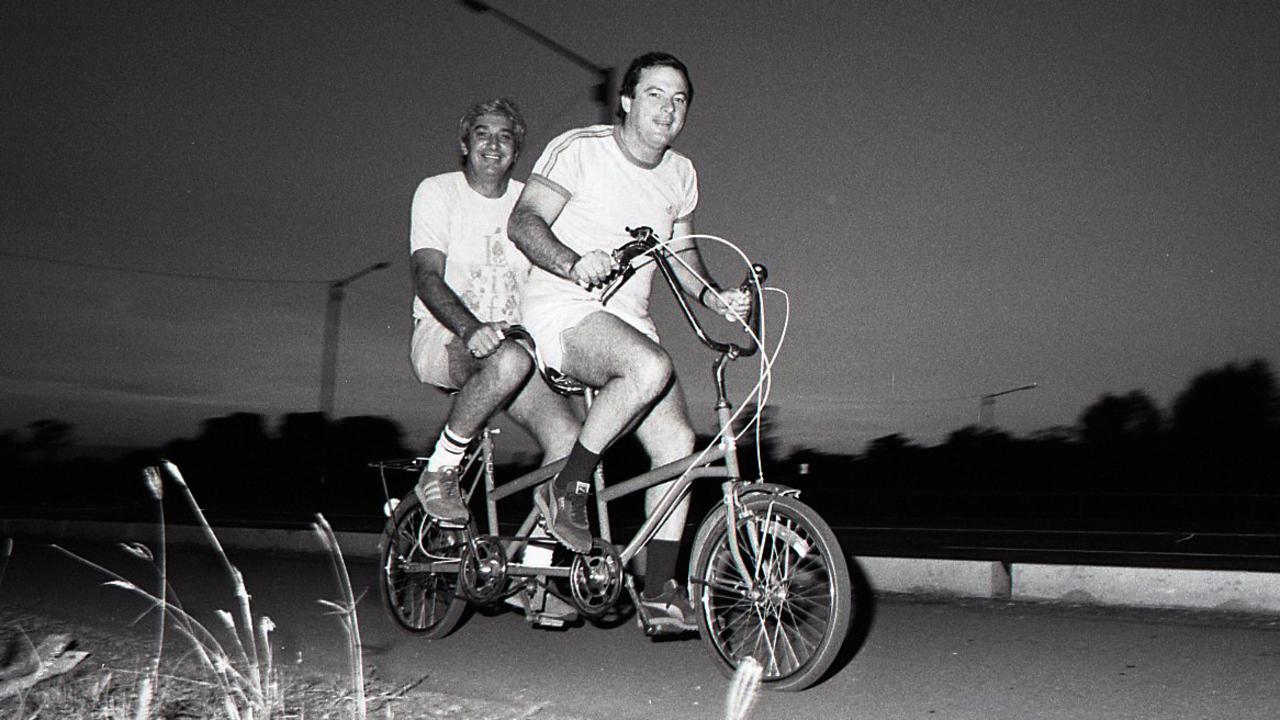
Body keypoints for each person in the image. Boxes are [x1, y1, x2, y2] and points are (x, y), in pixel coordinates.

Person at [508, 52, 751, 631]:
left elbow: (683, 256)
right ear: (626, 100)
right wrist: (572, 263)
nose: (668, 109)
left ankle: (663, 590)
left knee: (676, 449)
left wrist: (716, 299)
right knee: (648, 367)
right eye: (655, 94)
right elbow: (524, 222)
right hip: (563, 309)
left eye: (680, 99)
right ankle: (566, 490)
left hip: (629, 324)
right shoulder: (581, 149)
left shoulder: (681, 175)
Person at [408, 98, 580, 531]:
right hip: (443, 333)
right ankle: (440, 469)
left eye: (505, 136)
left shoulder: (528, 203)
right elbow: (426, 277)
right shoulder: (438, 190)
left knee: (570, 440)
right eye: (482, 133)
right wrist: (470, 329)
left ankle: (538, 573)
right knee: (508, 359)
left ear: (516, 152)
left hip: (515, 348)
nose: (493, 144)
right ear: (465, 143)